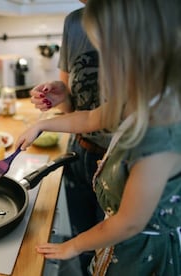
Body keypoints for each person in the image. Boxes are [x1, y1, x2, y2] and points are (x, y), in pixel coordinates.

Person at [17, 0, 181, 274]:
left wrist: (74, 245)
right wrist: (41, 125)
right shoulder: (140, 99)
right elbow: (91, 117)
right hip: (117, 244)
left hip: (142, 255)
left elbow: (129, 222)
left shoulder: (160, 135)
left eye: (108, 53)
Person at [31, 1, 108, 274]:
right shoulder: (74, 22)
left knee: (111, 253)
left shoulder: (144, 18)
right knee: (85, 244)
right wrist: (58, 94)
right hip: (81, 152)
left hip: (121, 162)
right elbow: (75, 108)